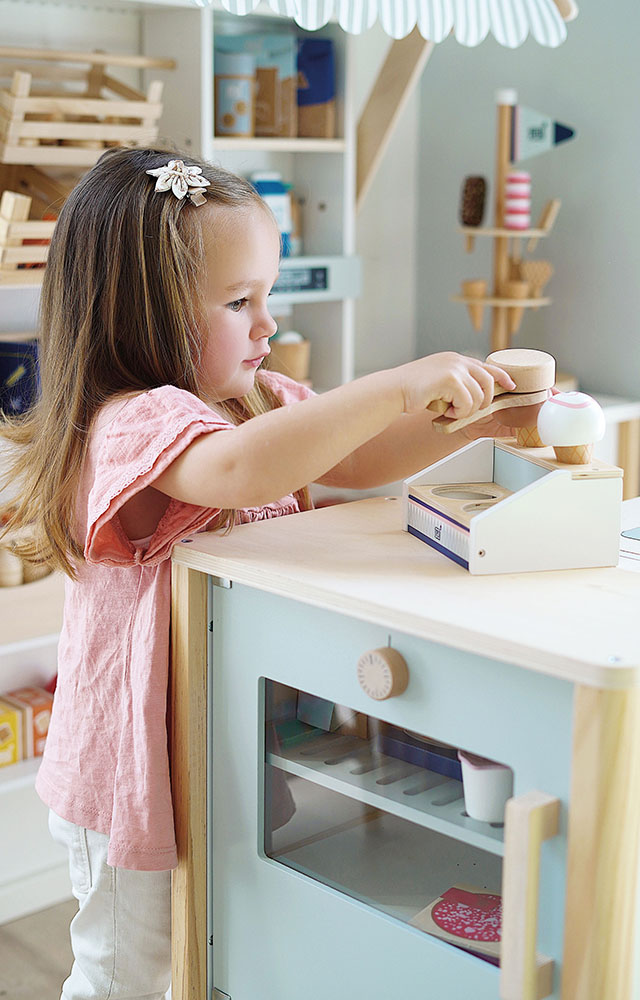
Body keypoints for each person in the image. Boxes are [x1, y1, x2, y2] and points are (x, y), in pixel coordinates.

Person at [0, 147, 519, 1000]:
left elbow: (359, 455)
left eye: (267, 296)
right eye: (239, 302)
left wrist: (471, 419)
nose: (266, 324)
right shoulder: (134, 421)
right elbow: (241, 470)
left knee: (214, 951)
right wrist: (396, 385)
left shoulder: (250, 402)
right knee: (125, 974)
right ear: (141, 311)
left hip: (221, 745)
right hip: (133, 773)